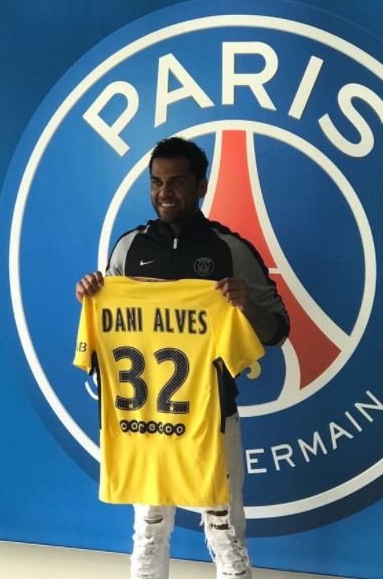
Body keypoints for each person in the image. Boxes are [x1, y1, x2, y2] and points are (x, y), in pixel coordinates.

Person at [75, 136, 289, 579]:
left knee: (225, 533)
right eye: (156, 182)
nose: (165, 192)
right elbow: (106, 339)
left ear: (201, 186)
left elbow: (278, 330)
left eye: (176, 182)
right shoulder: (129, 248)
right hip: (147, 418)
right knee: (149, 530)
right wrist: (92, 299)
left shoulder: (230, 249)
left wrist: (246, 305)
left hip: (212, 417)